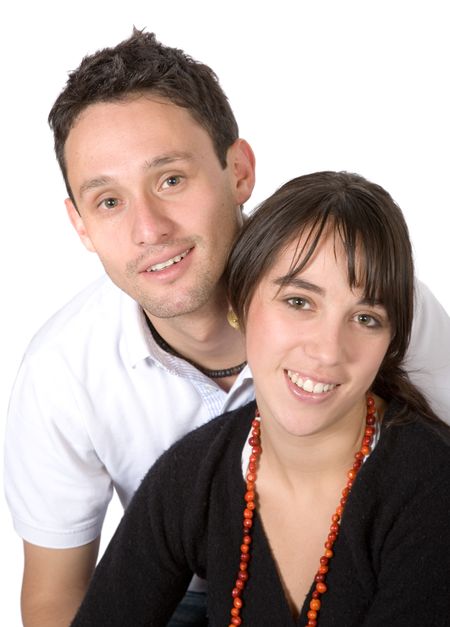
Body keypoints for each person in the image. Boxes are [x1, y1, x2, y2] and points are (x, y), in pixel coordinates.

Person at [4, 29, 450, 627]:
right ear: (80, 225)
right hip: (172, 588)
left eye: (170, 179)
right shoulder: (63, 372)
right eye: (108, 201)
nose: (148, 229)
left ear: (238, 171)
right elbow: (57, 597)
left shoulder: (383, 310)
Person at [70, 171, 450, 626]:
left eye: (366, 318)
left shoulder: (432, 487)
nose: (328, 350)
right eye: (298, 302)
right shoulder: (196, 475)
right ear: (238, 302)